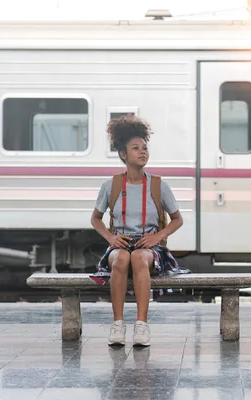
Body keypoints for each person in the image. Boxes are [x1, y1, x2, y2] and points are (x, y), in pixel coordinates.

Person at [90, 115, 187, 347]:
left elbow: (177, 219)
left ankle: (141, 326)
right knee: (122, 257)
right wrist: (111, 237)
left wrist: (158, 236)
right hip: (120, 244)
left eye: (145, 148)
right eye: (135, 148)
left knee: (138, 256)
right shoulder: (111, 186)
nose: (142, 152)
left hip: (150, 248)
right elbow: (95, 219)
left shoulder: (158, 185)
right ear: (123, 154)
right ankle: (118, 324)